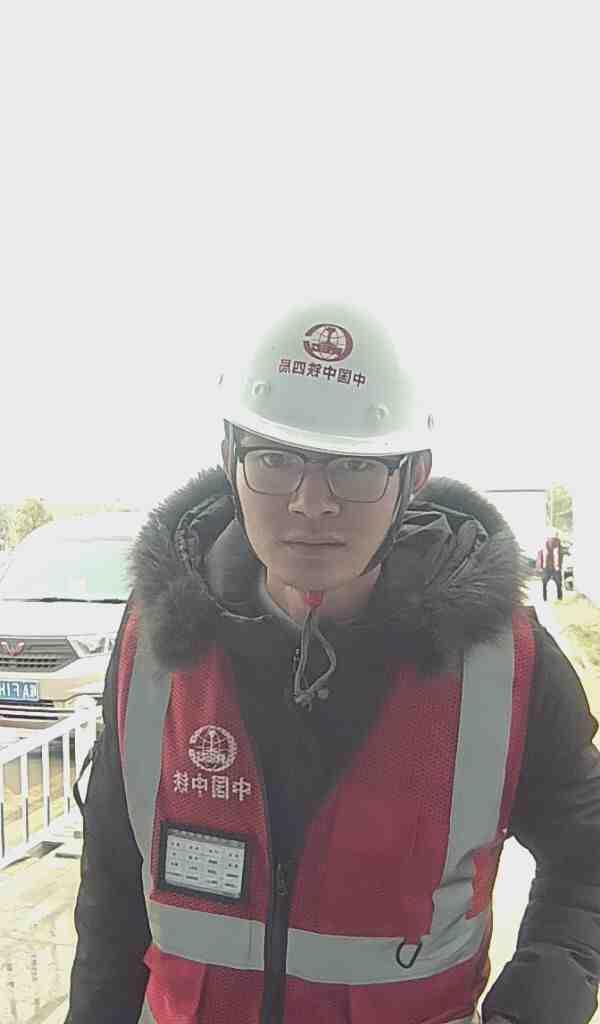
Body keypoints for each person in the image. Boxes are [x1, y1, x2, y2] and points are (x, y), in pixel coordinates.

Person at [66, 305, 600, 1024]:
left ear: (414, 478)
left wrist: (539, 1002)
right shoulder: (154, 646)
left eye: (355, 467)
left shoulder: (503, 664)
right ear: (230, 462)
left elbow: (587, 852)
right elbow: (111, 889)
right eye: (275, 459)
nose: (311, 503)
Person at [537, 534, 564, 601]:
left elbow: (560, 555)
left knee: (557, 584)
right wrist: (539, 566)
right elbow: (540, 555)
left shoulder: (558, 543)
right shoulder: (544, 544)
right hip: (547, 567)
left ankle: (558, 598)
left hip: (553, 568)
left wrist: (559, 566)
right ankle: (546, 599)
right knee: (546, 584)